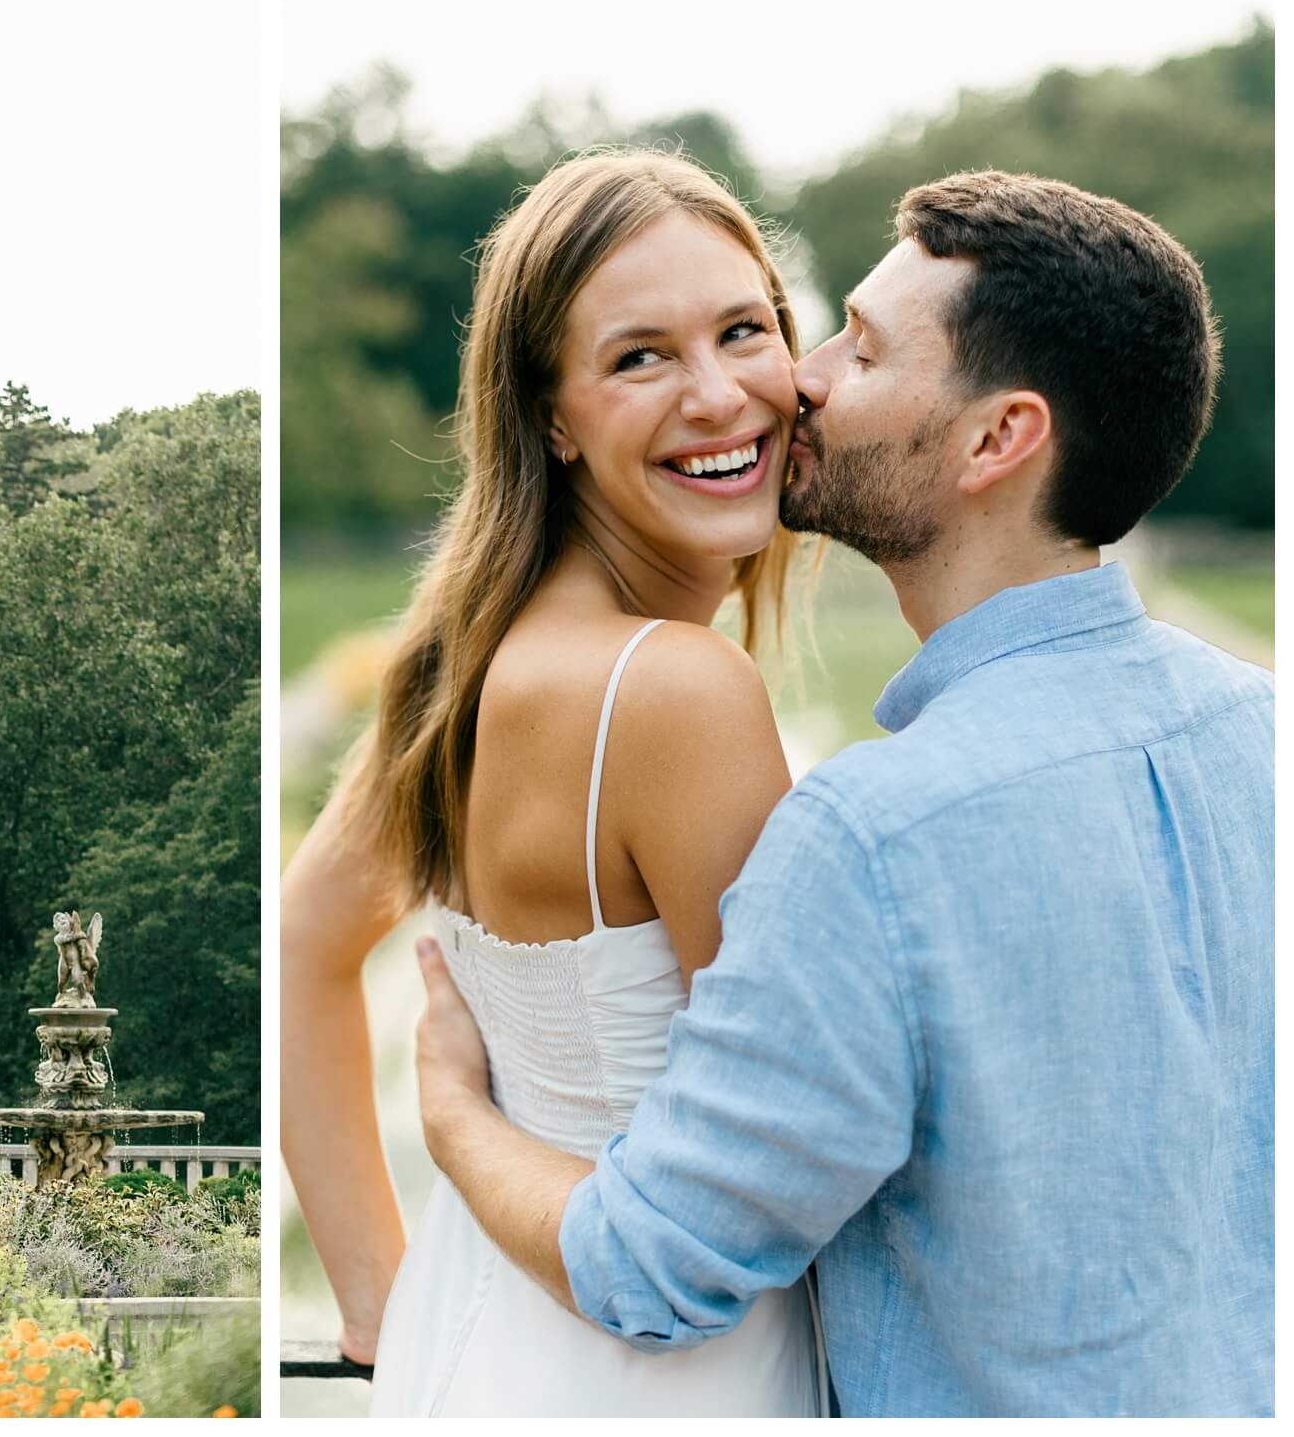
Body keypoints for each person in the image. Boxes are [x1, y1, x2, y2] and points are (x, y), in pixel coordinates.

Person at [412, 171, 1272, 1416]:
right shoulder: (1264, 733)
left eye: (858, 350)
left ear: (996, 437)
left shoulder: (869, 839)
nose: (798, 379)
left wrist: (448, 1113)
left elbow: (653, 1260)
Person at [282, 149, 826, 1416]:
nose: (717, 395)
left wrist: (376, 1303)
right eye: (639, 357)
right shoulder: (677, 692)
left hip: (469, 1348)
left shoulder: (460, 663)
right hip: (678, 1369)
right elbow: (796, 1134)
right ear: (551, 417)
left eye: (742, 330)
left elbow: (304, 939)